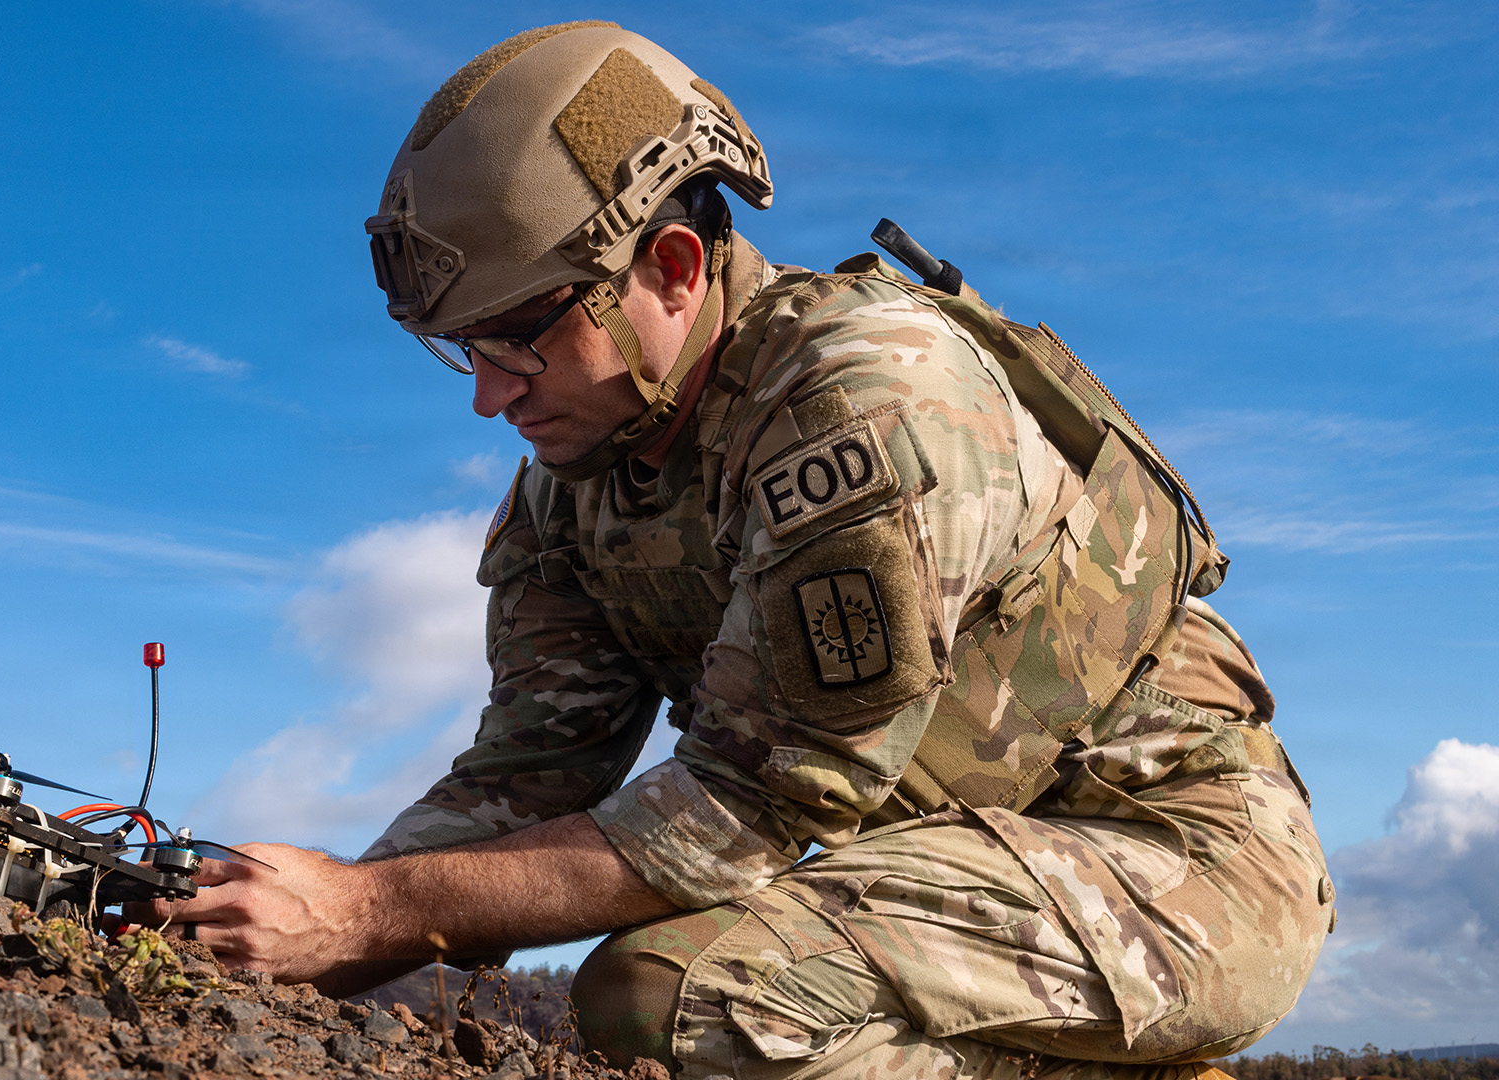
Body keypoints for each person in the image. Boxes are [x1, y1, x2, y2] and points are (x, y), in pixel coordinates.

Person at [126, 22, 1332, 1079]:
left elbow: (742, 812)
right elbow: (528, 776)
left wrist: (365, 911)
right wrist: (259, 929)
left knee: (672, 1000)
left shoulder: (869, 408)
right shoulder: (576, 482)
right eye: (463, 352)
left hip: (1168, 858)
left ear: (673, 269)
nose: (490, 400)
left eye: (519, 342)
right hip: (958, 867)